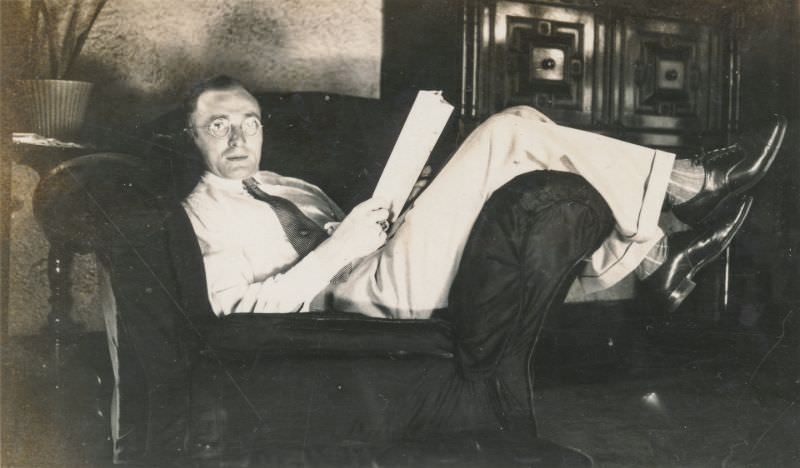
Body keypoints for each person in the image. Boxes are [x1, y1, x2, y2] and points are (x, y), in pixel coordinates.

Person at [180, 75, 786, 320]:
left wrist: (409, 206)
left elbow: (354, 236)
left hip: (378, 266)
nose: (238, 136)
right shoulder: (198, 214)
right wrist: (343, 244)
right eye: (218, 125)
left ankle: (655, 261)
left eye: (250, 121)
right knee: (507, 134)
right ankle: (686, 186)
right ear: (191, 136)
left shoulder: (291, 187)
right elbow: (234, 310)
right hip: (348, 304)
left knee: (522, 116)